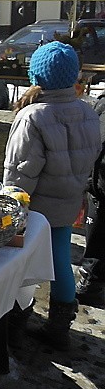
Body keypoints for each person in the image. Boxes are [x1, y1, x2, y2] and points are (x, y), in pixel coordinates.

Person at [4, 42, 100, 349]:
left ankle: (15, 326)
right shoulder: (87, 110)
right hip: (70, 199)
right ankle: (59, 328)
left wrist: (9, 209)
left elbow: (20, 173)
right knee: (60, 261)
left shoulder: (33, 116)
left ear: (36, 75)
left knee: (21, 266)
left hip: (37, 208)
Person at [76, 93, 105, 307]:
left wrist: (90, 182)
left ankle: (90, 284)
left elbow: (96, 144)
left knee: (98, 233)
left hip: (101, 187)